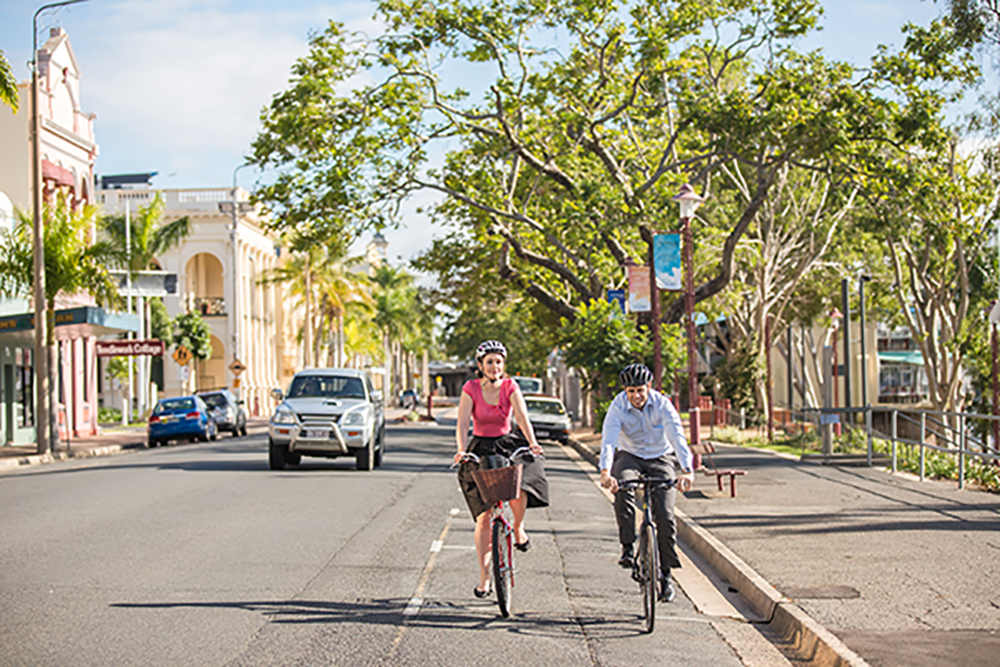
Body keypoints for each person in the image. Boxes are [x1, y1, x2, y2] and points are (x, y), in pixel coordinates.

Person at [454, 340, 549, 598]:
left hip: (507, 443)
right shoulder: (470, 388)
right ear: (480, 365)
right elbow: (463, 422)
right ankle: (485, 577)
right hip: (481, 446)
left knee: (521, 482)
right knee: (484, 517)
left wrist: (533, 442)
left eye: (499, 362)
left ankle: (518, 527)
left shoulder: (510, 386)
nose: (495, 366)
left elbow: (521, 416)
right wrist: (462, 449)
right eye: (490, 362)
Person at [599, 363, 694, 603]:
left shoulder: (663, 404)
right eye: (631, 391)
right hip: (629, 456)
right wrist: (605, 471)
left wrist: (687, 469)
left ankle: (666, 575)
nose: (636, 396)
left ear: (649, 387)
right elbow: (609, 441)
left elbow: (676, 436)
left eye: (640, 390)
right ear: (625, 391)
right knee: (622, 490)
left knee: (665, 514)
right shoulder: (618, 406)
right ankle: (628, 547)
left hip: (660, 456)